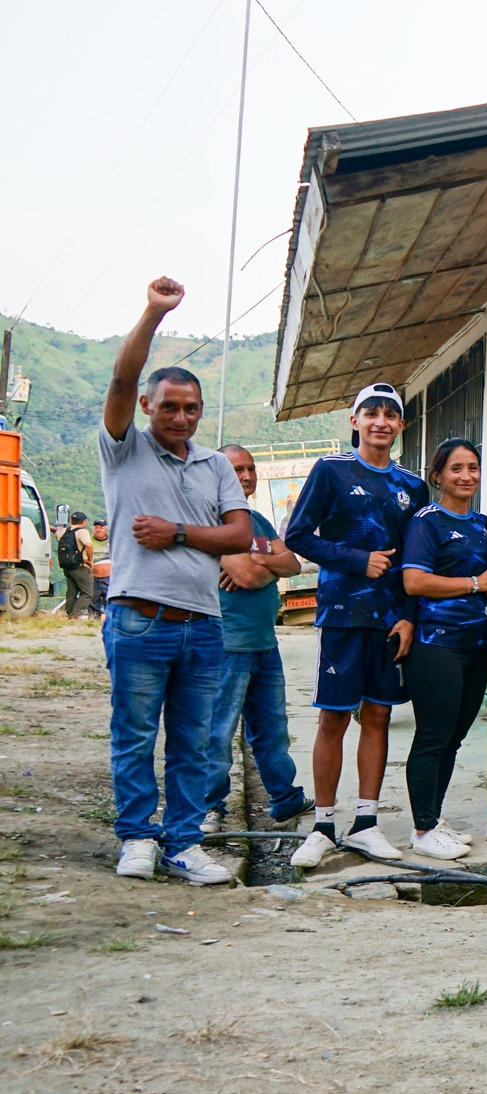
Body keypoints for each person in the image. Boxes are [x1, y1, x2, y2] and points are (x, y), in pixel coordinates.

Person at [98, 276, 252, 886]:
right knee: (135, 737)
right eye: (169, 406)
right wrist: (154, 313)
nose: (181, 417)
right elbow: (120, 379)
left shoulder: (216, 465)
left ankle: (183, 843)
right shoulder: (123, 450)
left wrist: (178, 532)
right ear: (146, 407)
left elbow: (239, 536)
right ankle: (138, 838)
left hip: (203, 626)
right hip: (138, 620)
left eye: (191, 408)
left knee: (196, 743)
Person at [283, 382, 425, 868]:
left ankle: (366, 824)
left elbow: (416, 558)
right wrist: (357, 560)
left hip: (391, 620)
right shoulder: (331, 471)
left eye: (390, 414)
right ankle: (323, 826)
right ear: (355, 421)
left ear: (401, 424)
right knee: (334, 717)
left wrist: (409, 616)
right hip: (344, 615)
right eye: (371, 412)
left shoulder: (412, 486)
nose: (380, 421)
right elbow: (298, 535)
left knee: (379, 715)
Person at [397, 439, 487, 860]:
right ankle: (423, 829)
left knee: (454, 738)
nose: (467, 476)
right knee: (433, 736)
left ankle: (433, 818)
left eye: (473, 468)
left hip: (476, 645)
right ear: (438, 476)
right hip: (436, 645)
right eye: (457, 469)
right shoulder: (426, 522)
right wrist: (477, 583)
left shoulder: (484, 524)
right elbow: (414, 581)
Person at [200, 445, 311, 837]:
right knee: (217, 733)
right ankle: (208, 808)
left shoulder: (257, 520)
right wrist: (268, 565)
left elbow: (292, 564)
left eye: (250, 468)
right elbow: (246, 576)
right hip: (226, 645)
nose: (247, 476)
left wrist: (261, 561)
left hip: (265, 643)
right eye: (237, 469)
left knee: (272, 731)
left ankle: (285, 799)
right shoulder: (210, 521)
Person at [58, 511, 94, 618]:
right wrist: (90, 559)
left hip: (67, 567)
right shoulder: (82, 532)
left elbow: (56, 533)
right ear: (84, 521)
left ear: (71, 521)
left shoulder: (64, 531)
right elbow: (88, 545)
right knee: (87, 592)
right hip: (80, 566)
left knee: (71, 592)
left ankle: (69, 613)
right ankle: (76, 614)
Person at [89, 520, 111, 617]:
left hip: (109, 577)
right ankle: (93, 619)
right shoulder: (88, 541)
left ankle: (110, 619)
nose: (98, 530)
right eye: (96, 528)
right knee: (93, 600)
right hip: (93, 577)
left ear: (106, 529)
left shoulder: (112, 541)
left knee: (109, 601)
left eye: (101, 528)